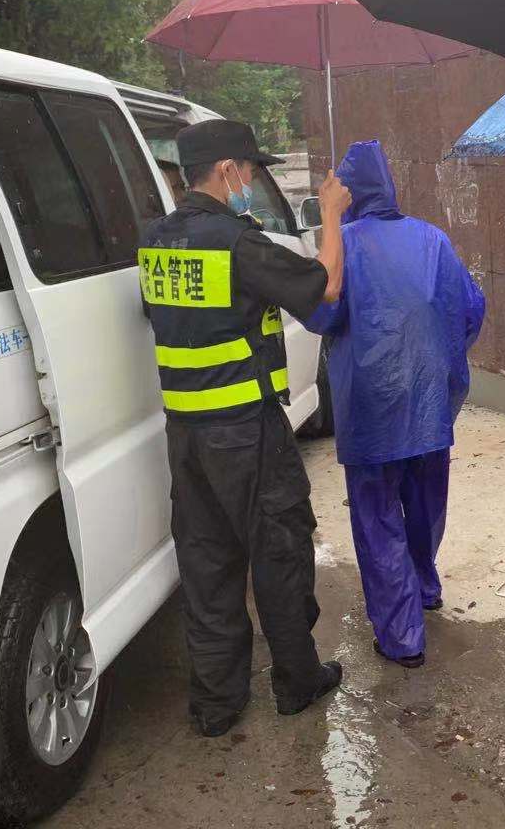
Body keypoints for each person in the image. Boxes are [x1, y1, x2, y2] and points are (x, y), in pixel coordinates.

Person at [138, 119, 352, 738]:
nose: (253, 181)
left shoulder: (155, 241)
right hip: (246, 432)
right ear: (227, 169)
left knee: (206, 565)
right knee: (279, 551)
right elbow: (324, 288)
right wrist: (331, 214)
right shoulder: (236, 242)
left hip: (186, 435)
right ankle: (298, 681)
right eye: (251, 170)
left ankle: (216, 703)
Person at [304, 140, 485, 668]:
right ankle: (423, 586)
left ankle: (402, 635)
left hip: (370, 410)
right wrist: (440, 361)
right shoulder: (433, 239)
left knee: (377, 517)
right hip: (429, 405)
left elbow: (320, 314)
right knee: (425, 503)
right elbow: (471, 309)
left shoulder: (343, 245)